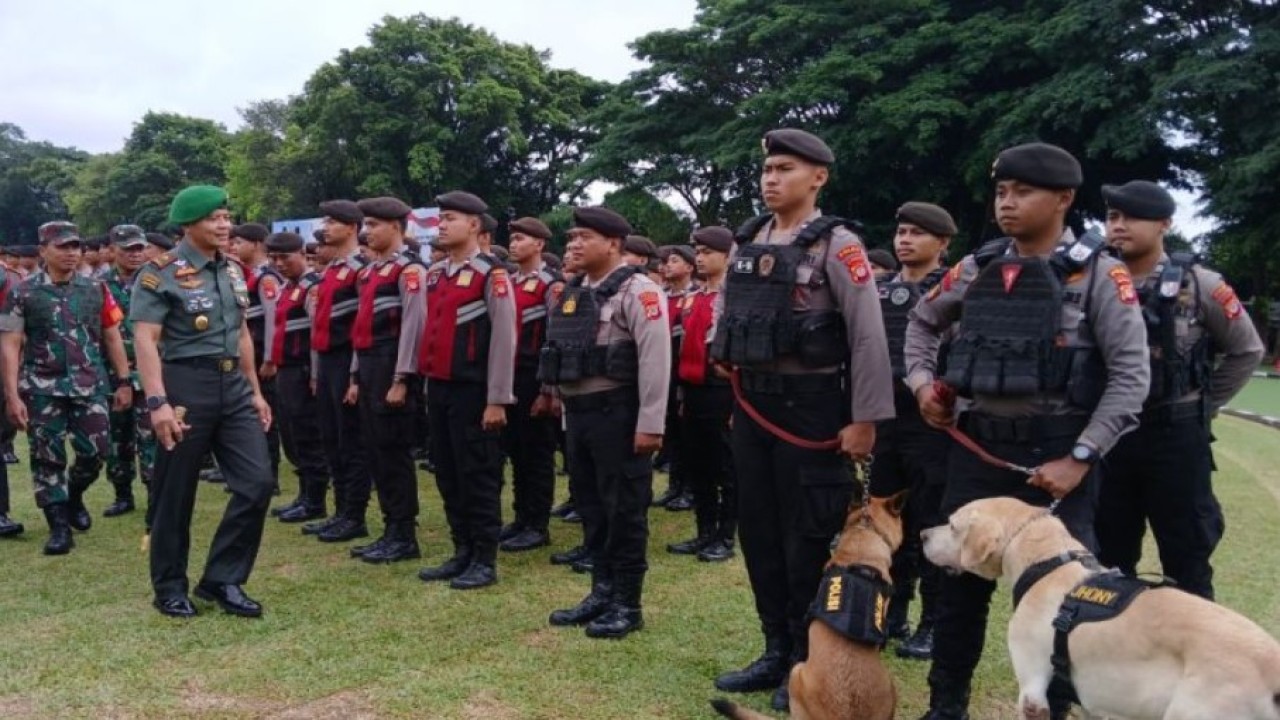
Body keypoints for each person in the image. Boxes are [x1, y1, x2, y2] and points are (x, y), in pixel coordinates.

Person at [903, 143, 1150, 720]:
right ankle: (945, 707)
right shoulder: (976, 267)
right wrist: (921, 386)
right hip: (978, 449)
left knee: (1065, 601)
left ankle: (1053, 709)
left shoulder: (1100, 273)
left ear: (1063, 199)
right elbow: (921, 323)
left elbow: (1131, 377)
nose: (1006, 203)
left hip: (1057, 457)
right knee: (958, 587)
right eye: (1000, 192)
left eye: (1022, 192)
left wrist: (1081, 457)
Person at [710, 129, 894, 711]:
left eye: (785, 168)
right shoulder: (747, 241)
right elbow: (724, 309)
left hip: (812, 410)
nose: (771, 178)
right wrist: (721, 349)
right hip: (753, 406)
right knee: (759, 531)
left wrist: (865, 418)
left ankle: (805, 655)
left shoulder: (838, 244)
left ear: (818, 177)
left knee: (805, 537)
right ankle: (773, 648)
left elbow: (867, 336)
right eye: (767, 169)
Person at [1098, 180, 1264, 600]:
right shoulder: (1093, 281)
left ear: (1165, 224)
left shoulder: (1200, 284)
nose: (1119, 226)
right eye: (1112, 217)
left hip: (1175, 437)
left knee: (1187, 555)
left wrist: (1204, 403)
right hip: (1107, 436)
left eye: (1133, 217)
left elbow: (1246, 350)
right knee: (1106, 560)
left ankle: (1193, 638)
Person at [130, 185, 275, 618]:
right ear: (189, 224)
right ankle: (169, 586)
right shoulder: (159, 273)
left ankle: (222, 579)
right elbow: (145, 339)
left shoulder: (232, 270)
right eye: (214, 218)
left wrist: (255, 390)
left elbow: (242, 333)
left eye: (227, 217)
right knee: (175, 492)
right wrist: (157, 402)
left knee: (257, 482)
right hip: (185, 386)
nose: (224, 225)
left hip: (233, 385)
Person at [541, 206, 671, 639]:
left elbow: (655, 359)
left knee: (624, 510)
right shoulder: (575, 290)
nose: (574, 244)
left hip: (619, 413)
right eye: (571, 237)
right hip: (580, 414)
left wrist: (651, 423)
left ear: (613, 243)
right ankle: (601, 590)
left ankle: (627, 603)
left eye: (584, 237)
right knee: (591, 506)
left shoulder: (639, 289)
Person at [0, 221, 132, 555]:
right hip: (42, 387)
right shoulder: (23, 292)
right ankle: (58, 526)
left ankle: (74, 496)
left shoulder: (96, 289)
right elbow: (10, 343)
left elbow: (112, 335)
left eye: (75, 246)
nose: (71, 253)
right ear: (43, 251)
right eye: (62, 247)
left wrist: (124, 380)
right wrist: (12, 394)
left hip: (90, 383)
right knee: (47, 457)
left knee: (97, 451)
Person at [869, 202, 957, 661]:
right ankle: (893, 611)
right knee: (889, 519)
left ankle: (933, 623)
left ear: (942, 243)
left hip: (933, 424)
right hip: (886, 419)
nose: (904, 240)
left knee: (931, 523)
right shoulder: (878, 291)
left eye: (917, 234)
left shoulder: (954, 291)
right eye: (901, 232)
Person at [416, 191, 517, 589]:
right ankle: (462, 550)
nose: (440, 225)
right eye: (440, 218)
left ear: (474, 225)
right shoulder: (437, 274)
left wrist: (497, 398)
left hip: (474, 392)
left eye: (450, 218)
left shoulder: (491, 273)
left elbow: (504, 339)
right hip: (440, 388)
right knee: (448, 472)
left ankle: (484, 558)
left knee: (478, 473)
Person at [344, 197, 428, 563]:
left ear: (396, 226)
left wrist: (402, 377)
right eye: (366, 224)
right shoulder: (369, 272)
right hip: (368, 365)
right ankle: (390, 527)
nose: (367, 231)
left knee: (393, 452)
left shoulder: (409, 270)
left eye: (374, 225)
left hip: (391, 363)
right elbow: (360, 328)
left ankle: (404, 534)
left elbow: (414, 325)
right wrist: (354, 374)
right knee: (376, 450)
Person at [305, 200, 374, 544]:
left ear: (351, 228)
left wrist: (355, 375)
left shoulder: (362, 268)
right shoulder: (332, 269)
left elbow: (362, 325)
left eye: (332, 222)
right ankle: (340, 510)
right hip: (328, 361)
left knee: (352, 442)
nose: (325, 228)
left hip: (348, 359)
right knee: (331, 439)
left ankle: (355, 514)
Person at [669, 226, 737, 562]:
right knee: (698, 466)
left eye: (708, 252)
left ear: (728, 256)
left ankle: (725, 536)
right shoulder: (692, 297)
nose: (699, 258)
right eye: (697, 252)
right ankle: (704, 531)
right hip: (693, 389)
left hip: (722, 390)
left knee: (726, 467)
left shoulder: (733, 296)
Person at [499, 216, 564, 553]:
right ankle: (521, 517)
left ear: (539, 244)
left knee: (537, 453)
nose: (514, 244)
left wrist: (548, 390)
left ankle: (537, 524)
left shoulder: (551, 284)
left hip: (534, 376)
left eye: (521, 239)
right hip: (509, 376)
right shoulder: (509, 281)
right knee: (517, 450)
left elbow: (555, 339)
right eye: (512, 239)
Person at [260, 232, 330, 524]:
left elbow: (316, 334)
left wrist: (315, 374)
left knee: (308, 436)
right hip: (286, 370)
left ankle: (315, 500)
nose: (279, 264)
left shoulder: (311, 287)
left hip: (302, 371)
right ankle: (304, 494)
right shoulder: (287, 287)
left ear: (302, 254)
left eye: (285, 257)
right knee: (293, 435)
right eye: (273, 258)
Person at [101, 224, 158, 519]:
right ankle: (122, 494)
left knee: (152, 434)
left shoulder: (156, 281)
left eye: (139, 248)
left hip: (151, 372)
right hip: (113, 374)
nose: (136, 254)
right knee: (117, 437)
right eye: (128, 249)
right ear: (113, 250)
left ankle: (156, 495)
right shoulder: (98, 285)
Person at [231, 223, 283, 495]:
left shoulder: (266, 278)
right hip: (251, 355)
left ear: (255, 244)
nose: (234, 247)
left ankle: (270, 477)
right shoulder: (250, 276)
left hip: (263, 357)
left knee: (266, 416)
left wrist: (270, 358)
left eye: (239, 242)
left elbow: (274, 319)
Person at [652, 245, 697, 511]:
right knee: (671, 433)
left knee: (687, 434)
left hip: (684, 372)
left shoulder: (694, 296)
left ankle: (690, 488)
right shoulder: (661, 296)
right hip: (663, 371)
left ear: (689, 267)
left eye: (674, 260)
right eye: (666, 261)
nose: (667, 265)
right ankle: (674, 486)